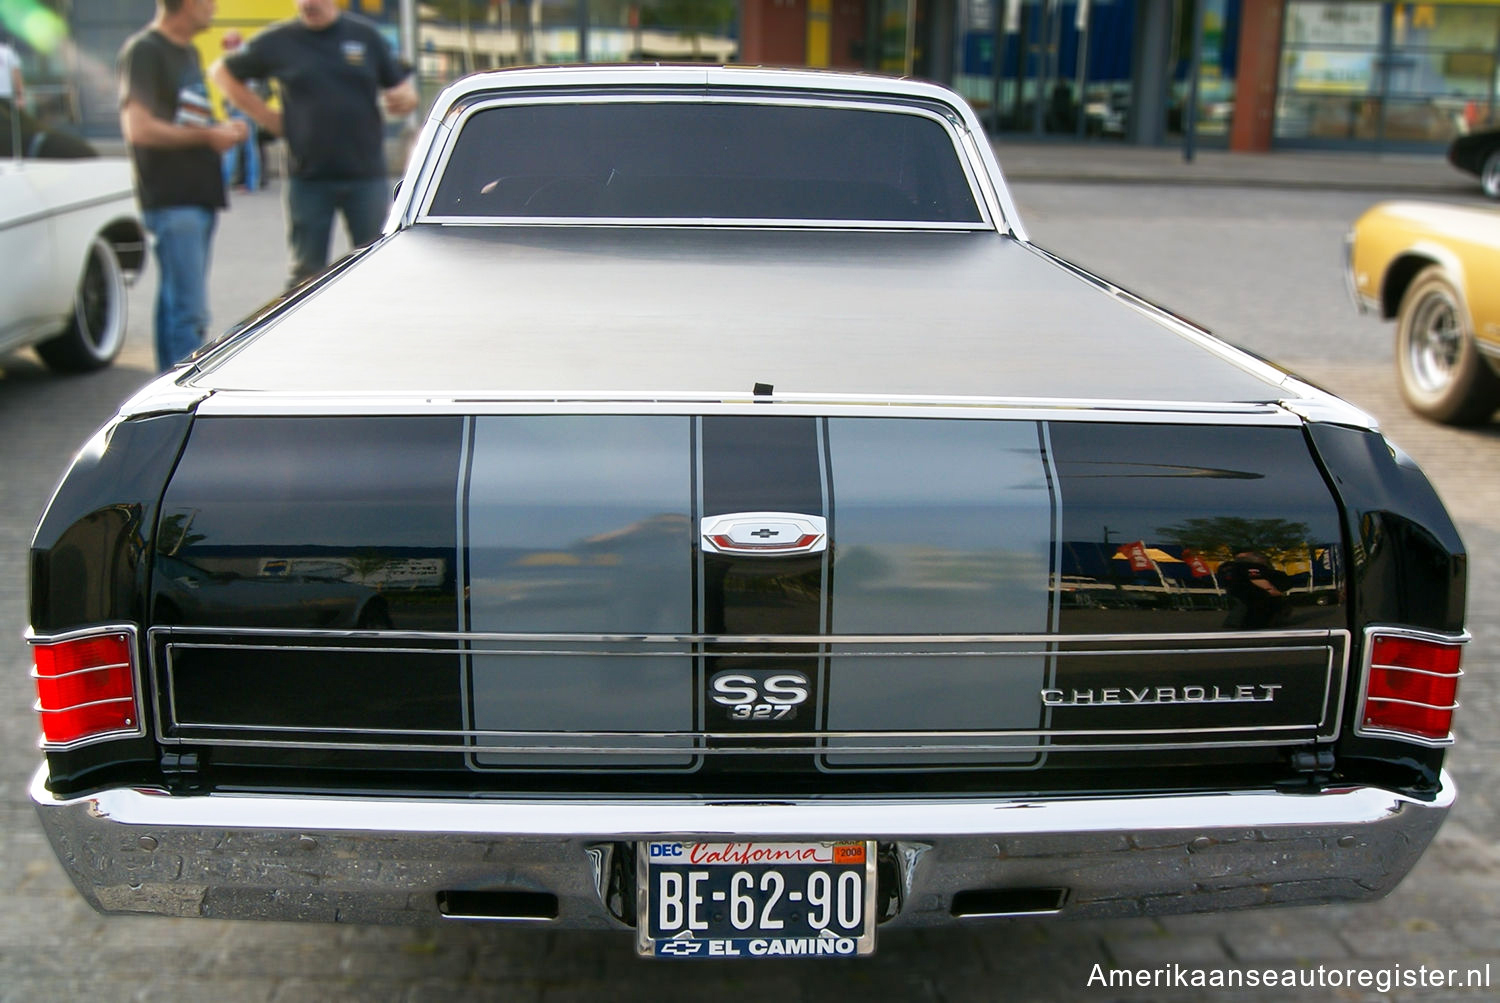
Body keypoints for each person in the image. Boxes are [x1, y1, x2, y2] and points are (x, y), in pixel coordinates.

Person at [210, 0, 416, 286]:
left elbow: (402, 87)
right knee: (305, 274)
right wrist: (266, 116)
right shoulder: (279, 41)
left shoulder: (365, 36)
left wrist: (406, 99)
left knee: (376, 262)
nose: (308, 4)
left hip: (365, 174)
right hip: (308, 176)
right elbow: (222, 72)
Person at [118, 0, 247, 371]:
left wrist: (221, 129)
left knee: (175, 306)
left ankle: (162, 393)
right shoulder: (145, 50)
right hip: (172, 200)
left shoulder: (187, 52)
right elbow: (138, 128)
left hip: (197, 196)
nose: (216, 8)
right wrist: (209, 136)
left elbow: (183, 117)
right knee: (188, 314)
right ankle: (180, 406)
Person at [217, 30, 260, 192]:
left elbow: (234, 87)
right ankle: (251, 182)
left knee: (232, 147)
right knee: (249, 147)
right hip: (247, 107)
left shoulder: (236, 61)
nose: (226, 48)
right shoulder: (248, 59)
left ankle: (223, 182)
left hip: (239, 107)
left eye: (228, 44)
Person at [1218, 549, 1288, 629]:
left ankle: (1233, 623)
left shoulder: (1229, 567)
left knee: (1241, 605)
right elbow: (1257, 580)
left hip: (1234, 590)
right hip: (1249, 593)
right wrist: (1274, 591)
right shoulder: (1251, 567)